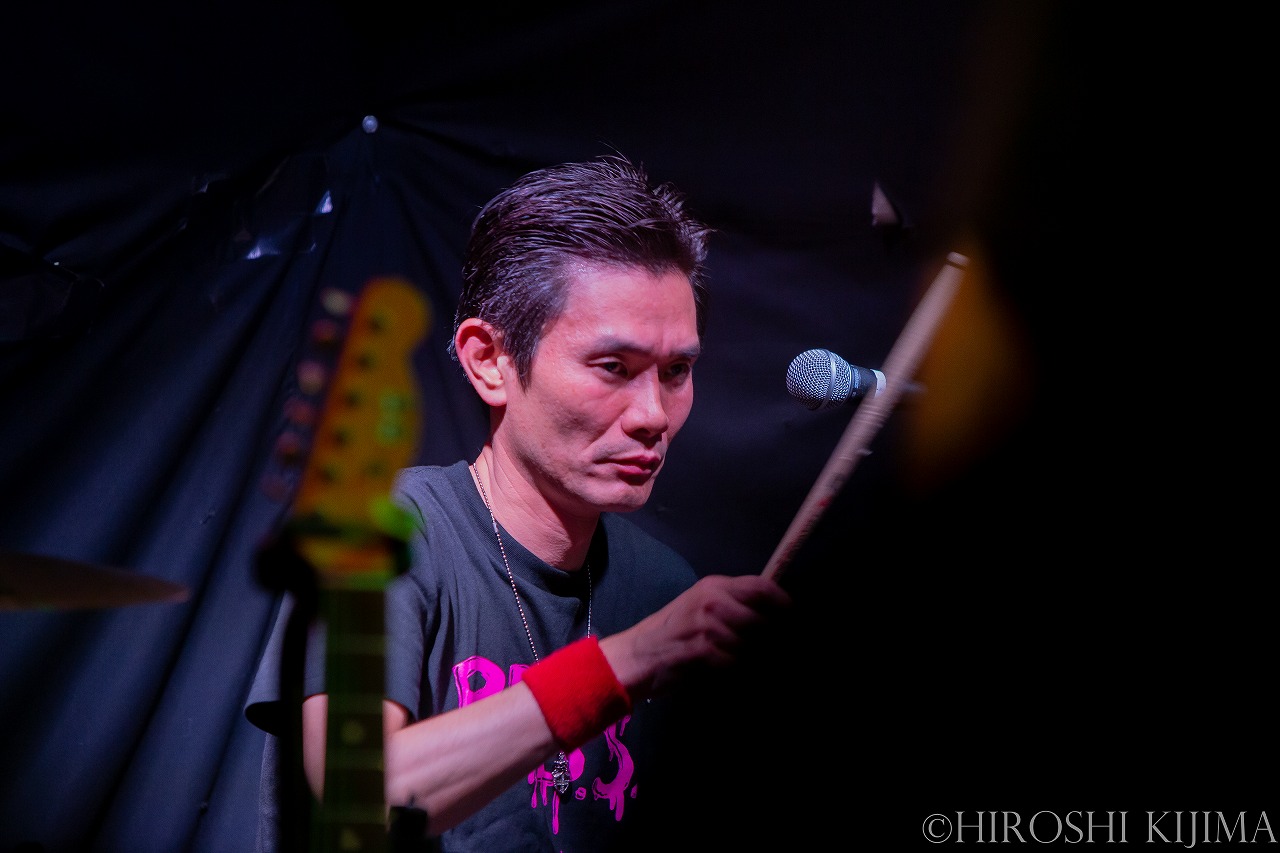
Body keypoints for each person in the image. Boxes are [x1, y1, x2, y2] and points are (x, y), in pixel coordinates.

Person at [245, 154, 790, 851]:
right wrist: (632, 658)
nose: (654, 414)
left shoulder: (662, 589)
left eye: (677, 371)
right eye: (614, 367)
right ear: (488, 361)